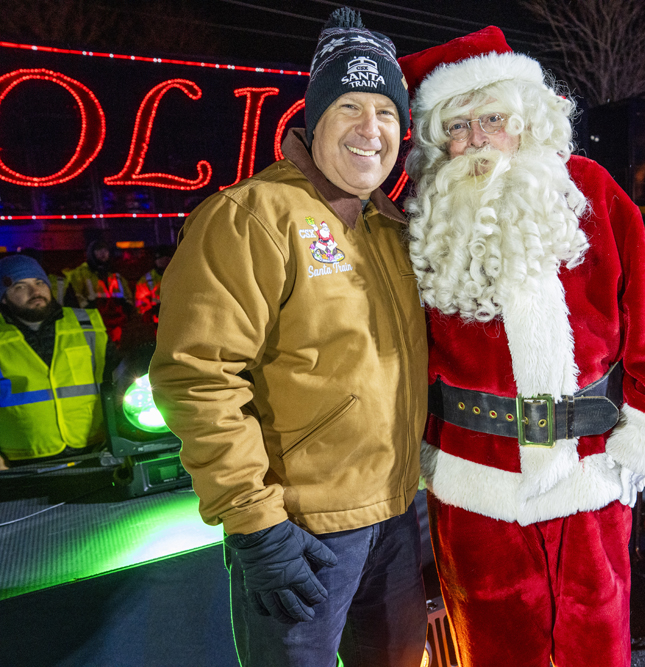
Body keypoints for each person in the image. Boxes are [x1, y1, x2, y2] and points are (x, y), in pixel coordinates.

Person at [399, 27, 645, 667]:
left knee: (596, 641)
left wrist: (636, 451)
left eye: (493, 119)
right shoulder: (424, 218)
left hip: (589, 476)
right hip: (473, 489)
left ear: (526, 120)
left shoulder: (592, 192)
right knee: (493, 646)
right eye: (458, 125)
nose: (476, 140)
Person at [149, 9, 428, 667]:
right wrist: (257, 524)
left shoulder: (392, 230)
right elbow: (196, 375)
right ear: (313, 120)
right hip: (301, 527)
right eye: (350, 108)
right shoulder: (251, 217)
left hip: (397, 517)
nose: (370, 129)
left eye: (386, 111)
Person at [0, 254, 113, 468]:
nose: (36, 292)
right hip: (22, 460)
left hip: (95, 450)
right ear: (4, 297)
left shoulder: (87, 323)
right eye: (20, 287)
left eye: (39, 282)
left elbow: (117, 381)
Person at [65, 239, 134, 344]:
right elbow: (75, 298)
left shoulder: (115, 274)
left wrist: (126, 310)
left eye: (105, 250)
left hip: (117, 325)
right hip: (93, 324)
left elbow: (128, 297)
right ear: (91, 253)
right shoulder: (80, 274)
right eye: (98, 250)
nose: (103, 253)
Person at [134, 245, 173, 316]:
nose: (166, 260)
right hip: (155, 322)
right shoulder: (145, 280)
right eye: (162, 258)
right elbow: (140, 307)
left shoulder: (179, 276)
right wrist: (152, 311)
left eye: (168, 258)